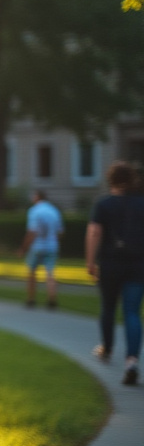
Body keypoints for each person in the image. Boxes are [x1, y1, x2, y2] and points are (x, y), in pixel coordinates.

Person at [87, 161, 144, 386]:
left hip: (110, 264)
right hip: (138, 266)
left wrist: (91, 262)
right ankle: (131, 361)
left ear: (110, 180)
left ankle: (107, 349)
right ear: (132, 180)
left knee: (108, 308)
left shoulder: (104, 204)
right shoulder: (142, 204)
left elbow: (94, 232)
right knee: (132, 311)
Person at [20, 190, 64, 309]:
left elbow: (32, 232)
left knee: (32, 272)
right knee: (50, 273)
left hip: (37, 246)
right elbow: (60, 231)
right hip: (52, 246)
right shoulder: (54, 211)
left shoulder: (34, 211)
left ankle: (31, 299)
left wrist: (23, 248)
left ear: (37, 197)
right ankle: (52, 299)